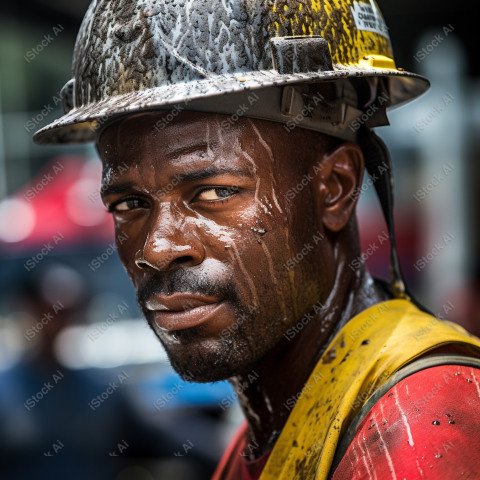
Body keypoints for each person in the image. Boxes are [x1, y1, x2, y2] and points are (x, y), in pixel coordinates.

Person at [34, 0, 480, 478]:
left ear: (335, 189)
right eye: (128, 204)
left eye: (214, 192)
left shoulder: (418, 424)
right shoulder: (276, 430)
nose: (156, 248)